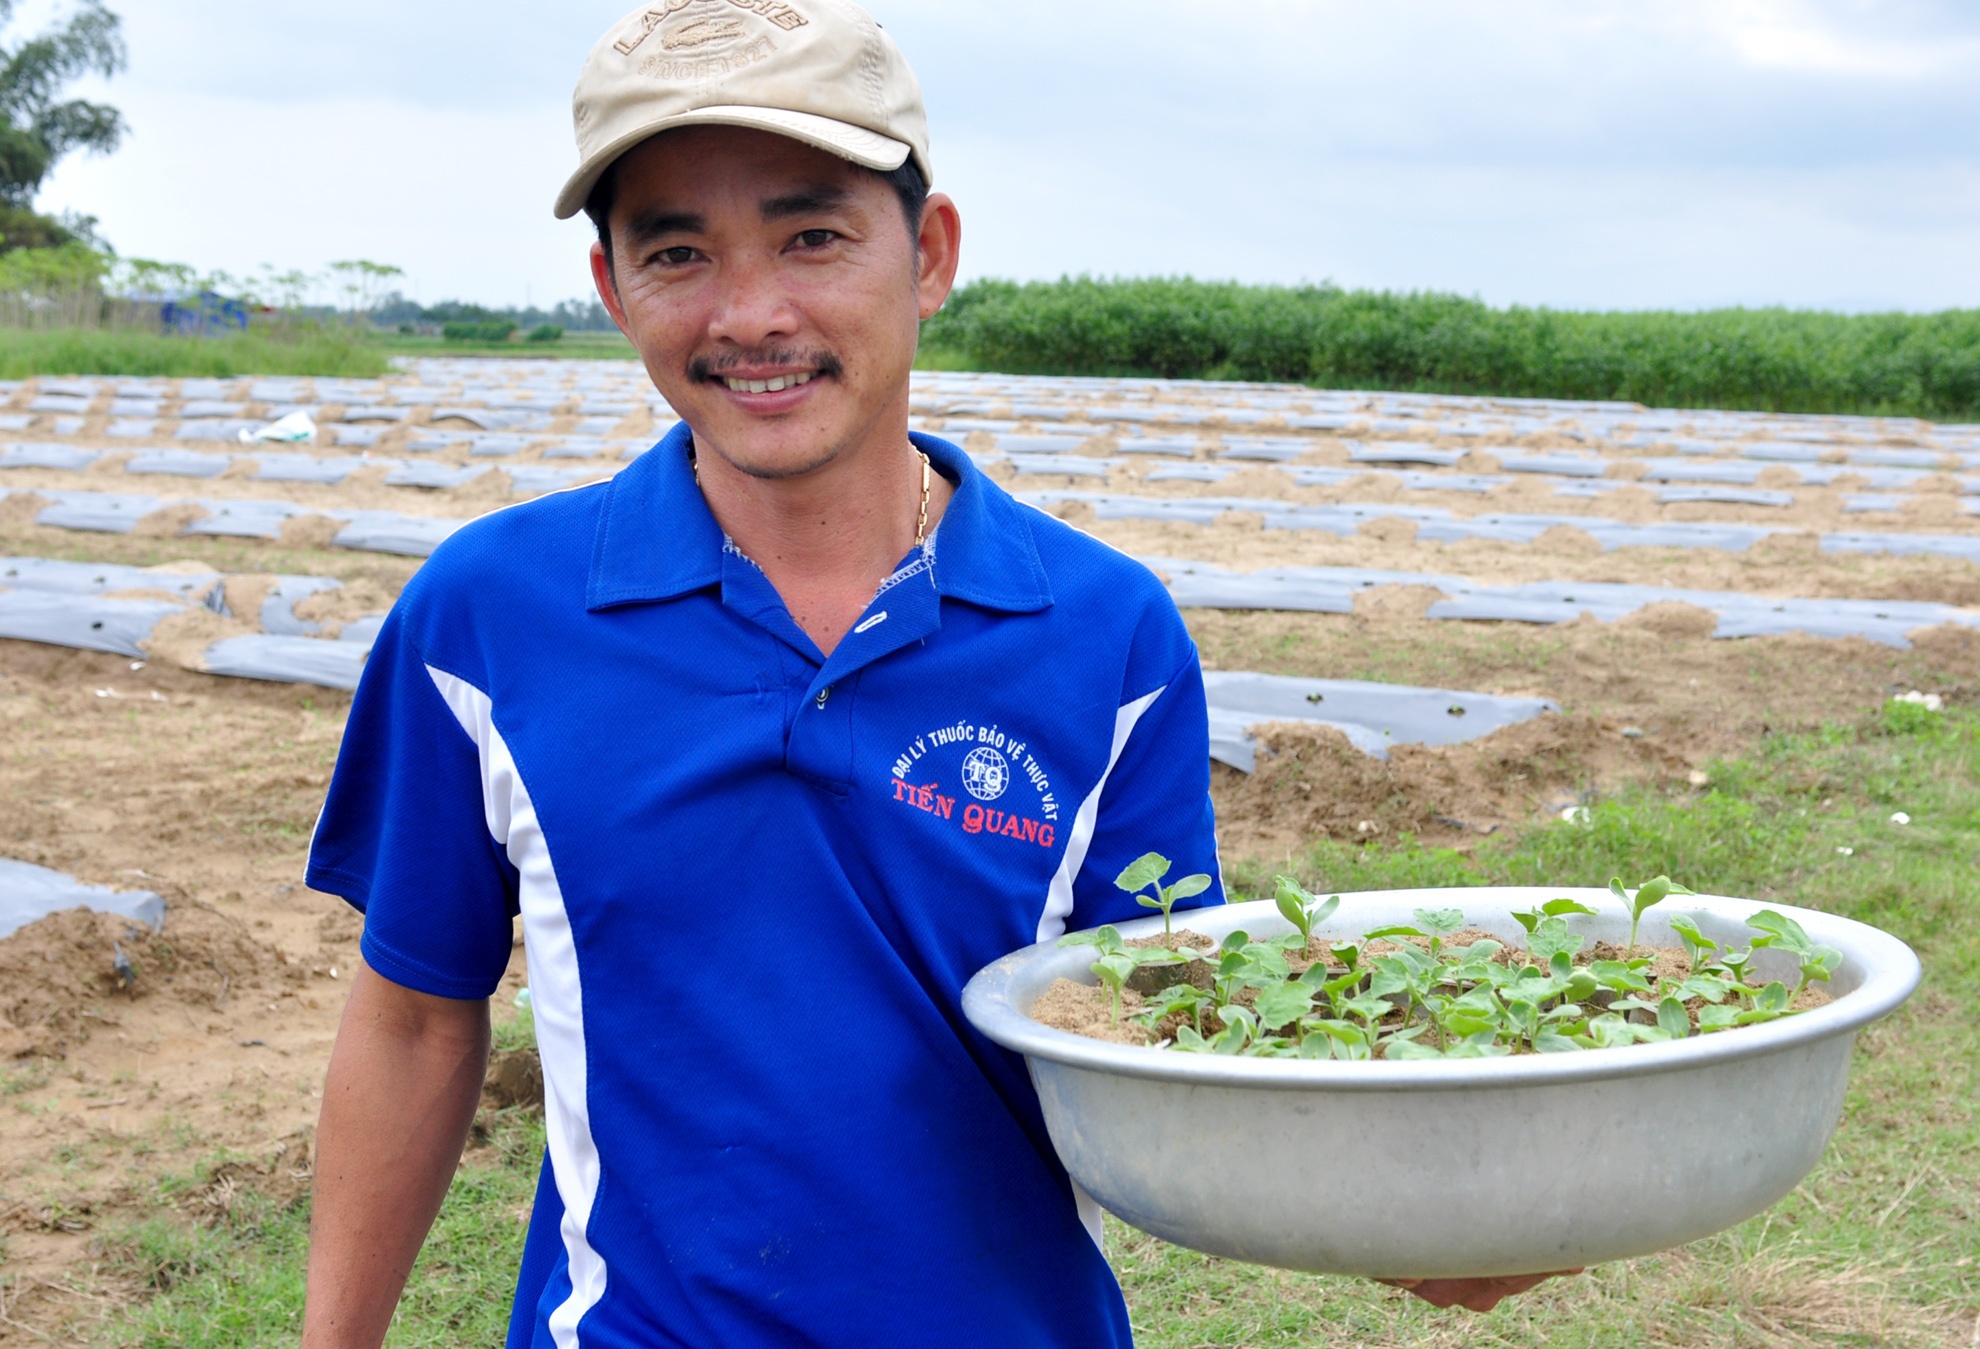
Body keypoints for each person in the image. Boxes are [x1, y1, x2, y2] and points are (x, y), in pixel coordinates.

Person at [299, 3, 1562, 1344]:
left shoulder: (1104, 636)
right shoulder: (491, 618)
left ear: (932, 252)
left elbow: (1166, 1037)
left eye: (814, 235)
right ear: (615, 289)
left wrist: (1415, 1214)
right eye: (678, 251)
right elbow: (419, 1024)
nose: (753, 313)